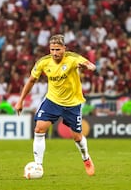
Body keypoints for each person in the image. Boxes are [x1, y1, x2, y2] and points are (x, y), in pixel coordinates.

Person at [15, 34, 96, 176]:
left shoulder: (72, 58)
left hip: (73, 103)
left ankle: (86, 158)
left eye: (58, 49)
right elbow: (31, 80)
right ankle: (38, 165)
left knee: (77, 137)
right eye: (52, 49)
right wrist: (21, 100)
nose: (54, 53)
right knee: (39, 129)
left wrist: (89, 66)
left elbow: (88, 64)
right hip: (52, 101)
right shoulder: (43, 62)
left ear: (64, 48)